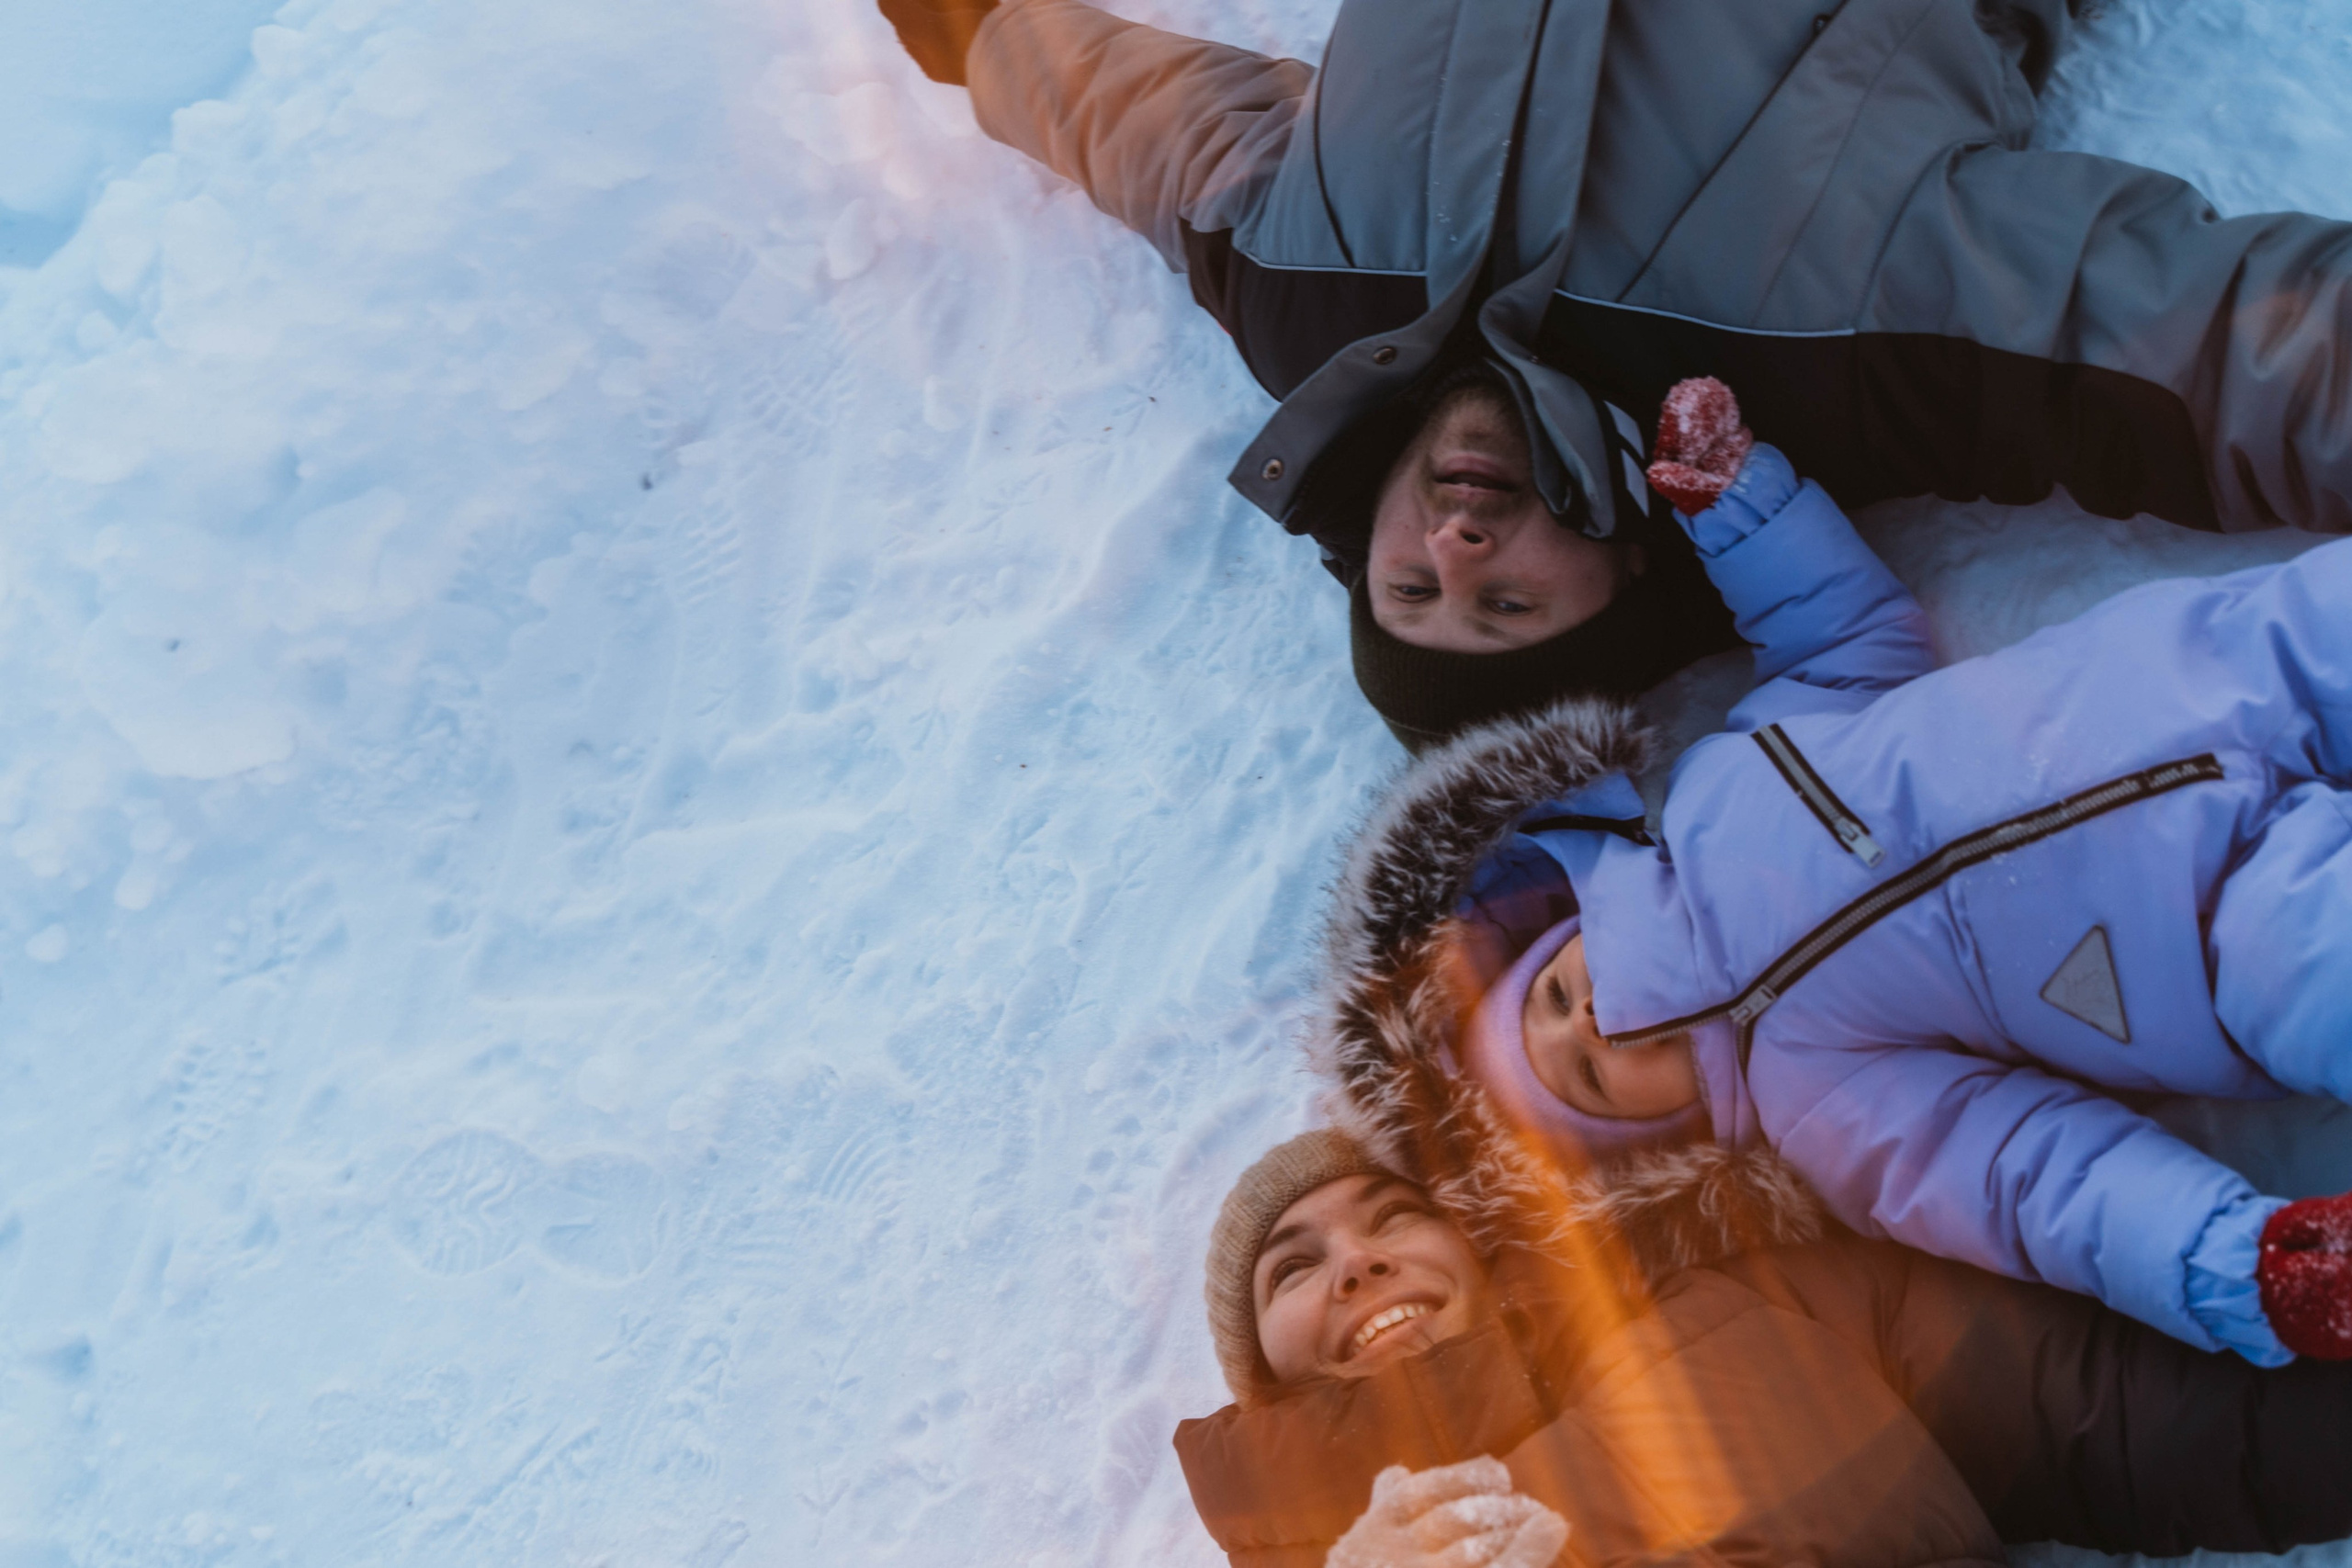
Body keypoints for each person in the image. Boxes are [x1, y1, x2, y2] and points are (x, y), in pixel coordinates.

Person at [875, 0, 2352, 745]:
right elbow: (2210, 346)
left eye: (1413, 588)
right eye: (1505, 602)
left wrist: (976, 31)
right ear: (1626, 574)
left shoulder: (1295, 297)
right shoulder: (1837, 364)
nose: (1457, 546)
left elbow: (1137, 129)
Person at [1312, 376, 2352, 1374]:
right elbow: (2031, 1178)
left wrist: (1742, 509)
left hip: (2196, 678)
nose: (1591, 1018)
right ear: (1645, 1134)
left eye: (1552, 993)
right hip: (2215, 933)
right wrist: (2238, 1264)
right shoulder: (1819, 1109)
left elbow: (1845, 638)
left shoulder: (1720, 792)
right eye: (1585, 1074)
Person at [1177, 1129, 2352, 1567]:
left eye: (1392, 1219)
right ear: (1257, 1370)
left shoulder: (1737, 1309)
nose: (1359, 1262)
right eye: (1294, 1266)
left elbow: (2106, 1424)